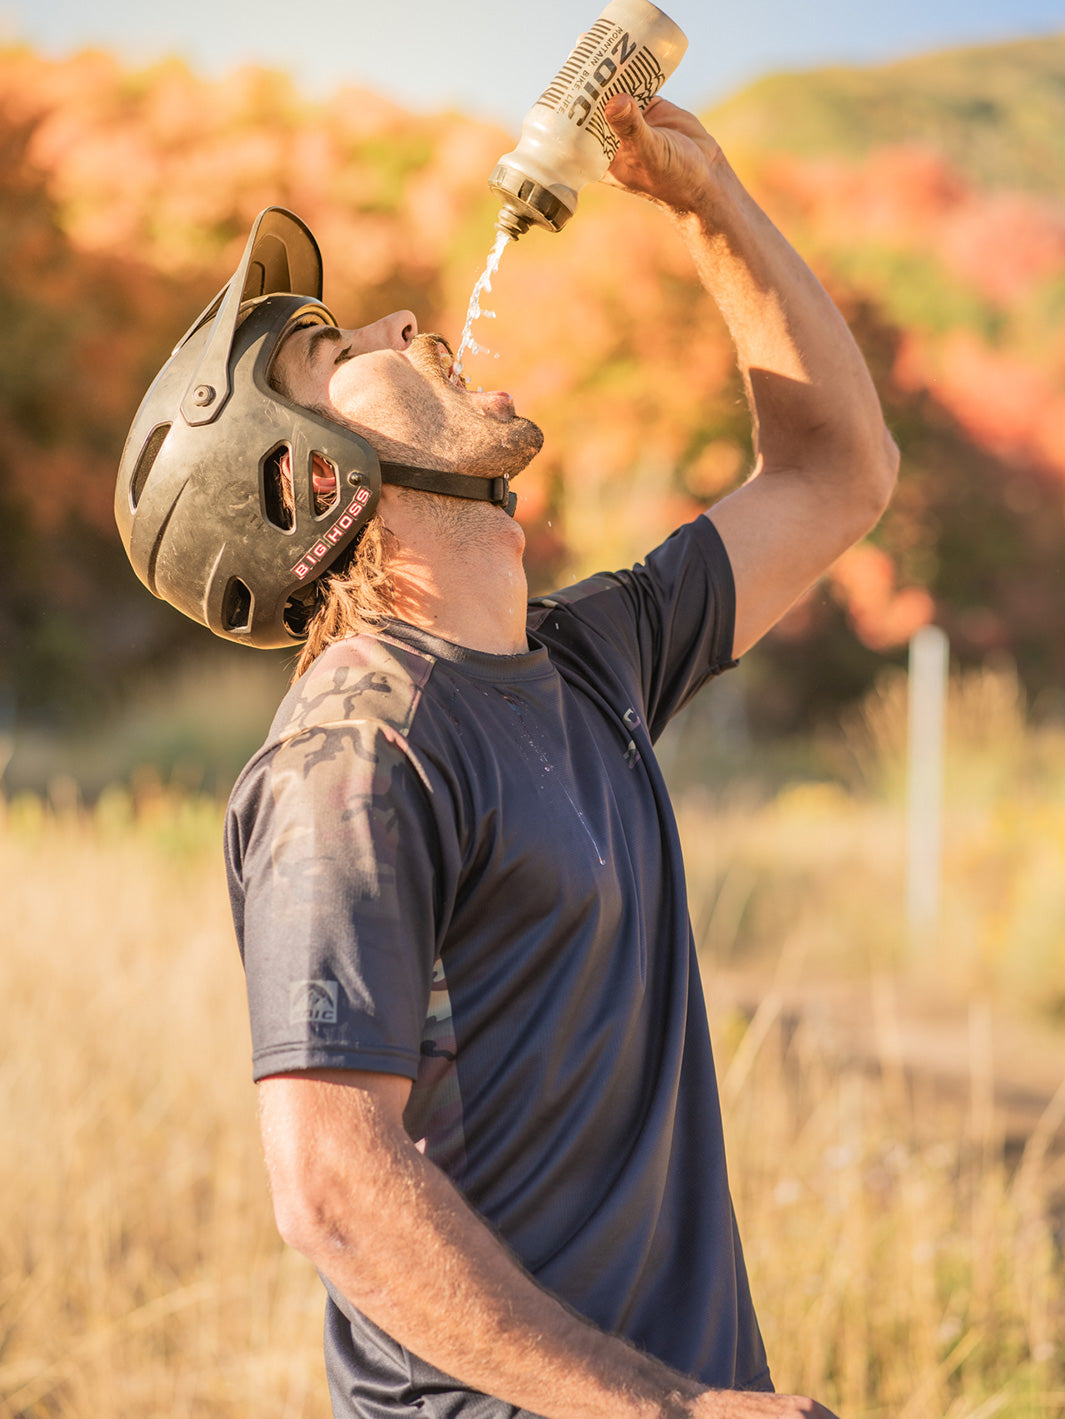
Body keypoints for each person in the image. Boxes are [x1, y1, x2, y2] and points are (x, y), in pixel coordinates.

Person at [116, 92, 898, 1419]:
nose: (399, 324)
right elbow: (331, 1185)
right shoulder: (351, 764)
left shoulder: (587, 659)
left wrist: (706, 201)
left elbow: (837, 472)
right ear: (305, 475)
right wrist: (664, 1411)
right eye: (334, 352)